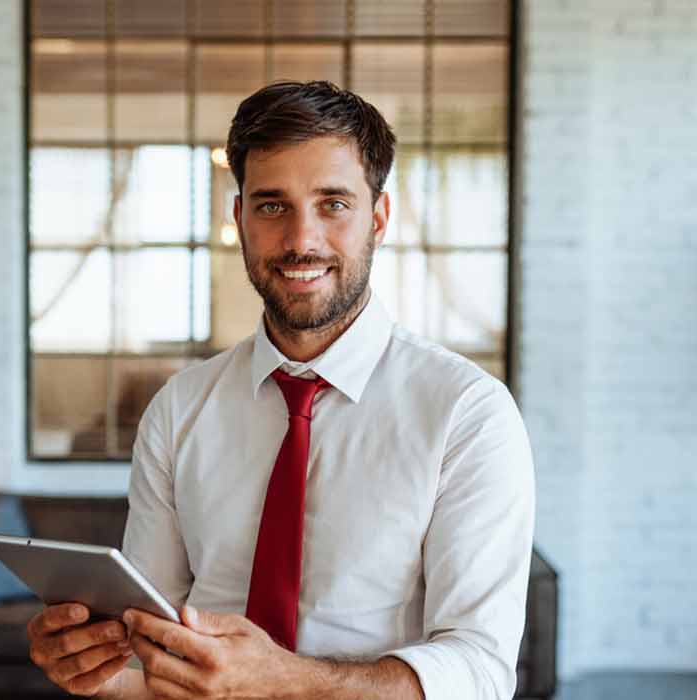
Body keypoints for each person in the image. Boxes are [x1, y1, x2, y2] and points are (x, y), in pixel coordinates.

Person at [26, 80, 535, 700]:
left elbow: (481, 673)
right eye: (272, 205)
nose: (301, 240)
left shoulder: (466, 413)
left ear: (377, 217)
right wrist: (93, 673)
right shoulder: (180, 410)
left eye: (333, 204)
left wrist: (285, 680)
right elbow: (154, 653)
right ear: (239, 218)